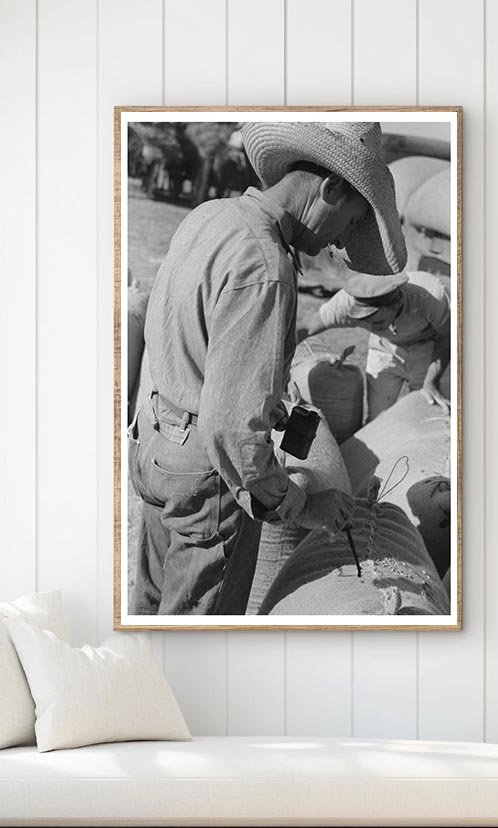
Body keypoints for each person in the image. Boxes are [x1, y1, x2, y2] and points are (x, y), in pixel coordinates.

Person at [130, 121, 407, 616]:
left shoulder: (210, 216)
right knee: (197, 635)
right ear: (330, 188)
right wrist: (304, 506)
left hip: (155, 444)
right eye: (347, 225)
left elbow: (185, 339)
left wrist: (265, 402)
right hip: (205, 481)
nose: (340, 244)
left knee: (149, 606)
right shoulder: (265, 266)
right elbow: (232, 430)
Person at [298, 270, 451, 419]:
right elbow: (306, 328)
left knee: (426, 412)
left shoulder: (430, 296)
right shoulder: (348, 302)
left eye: (377, 322)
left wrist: (432, 381)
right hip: (383, 347)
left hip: (427, 348)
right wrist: (280, 373)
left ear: (396, 303)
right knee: (378, 417)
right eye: (365, 321)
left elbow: (448, 336)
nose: (372, 327)